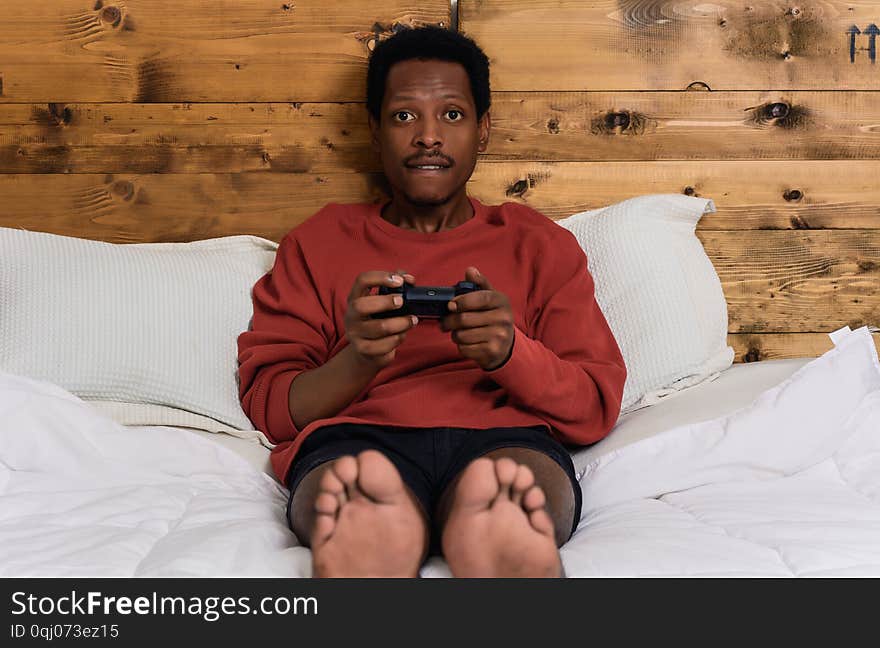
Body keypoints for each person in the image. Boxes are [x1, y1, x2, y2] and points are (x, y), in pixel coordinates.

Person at [236, 25, 627, 578]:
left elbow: (593, 406)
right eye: (403, 116)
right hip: (356, 438)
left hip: (506, 439)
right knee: (359, 504)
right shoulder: (318, 242)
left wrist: (509, 353)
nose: (427, 137)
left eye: (451, 115)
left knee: (505, 502)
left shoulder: (539, 244)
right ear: (374, 131)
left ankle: (495, 531)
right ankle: (370, 533)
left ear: (483, 130)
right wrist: (358, 360)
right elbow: (272, 408)